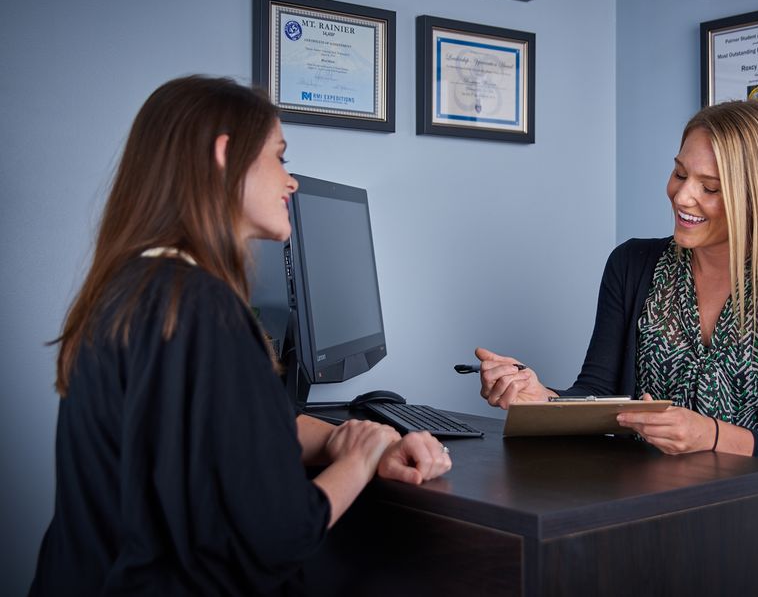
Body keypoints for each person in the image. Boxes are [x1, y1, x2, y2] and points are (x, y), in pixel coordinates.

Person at [30, 76, 452, 596]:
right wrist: (358, 462)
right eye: (279, 157)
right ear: (225, 154)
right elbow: (276, 537)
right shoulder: (202, 309)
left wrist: (353, 439)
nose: (290, 182)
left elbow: (224, 431)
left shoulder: (129, 291)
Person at [476, 101, 758, 595]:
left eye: (710, 187)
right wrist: (540, 398)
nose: (682, 195)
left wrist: (707, 434)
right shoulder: (631, 265)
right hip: (648, 504)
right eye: (679, 173)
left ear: (757, 197)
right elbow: (597, 393)